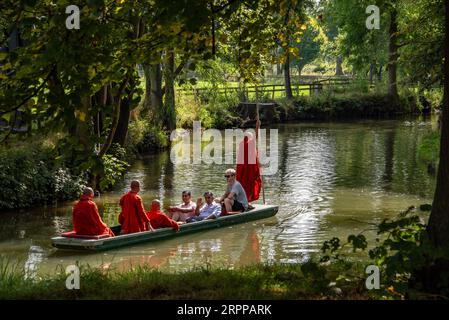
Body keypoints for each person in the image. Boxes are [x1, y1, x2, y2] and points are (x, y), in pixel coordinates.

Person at [236, 124, 262, 204]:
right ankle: (247, 201)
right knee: (250, 184)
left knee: (243, 184)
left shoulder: (241, 144)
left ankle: (244, 200)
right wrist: (257, 126)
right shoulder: (250, 143)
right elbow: (256, 136)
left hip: (242, 169)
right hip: (249, 169)